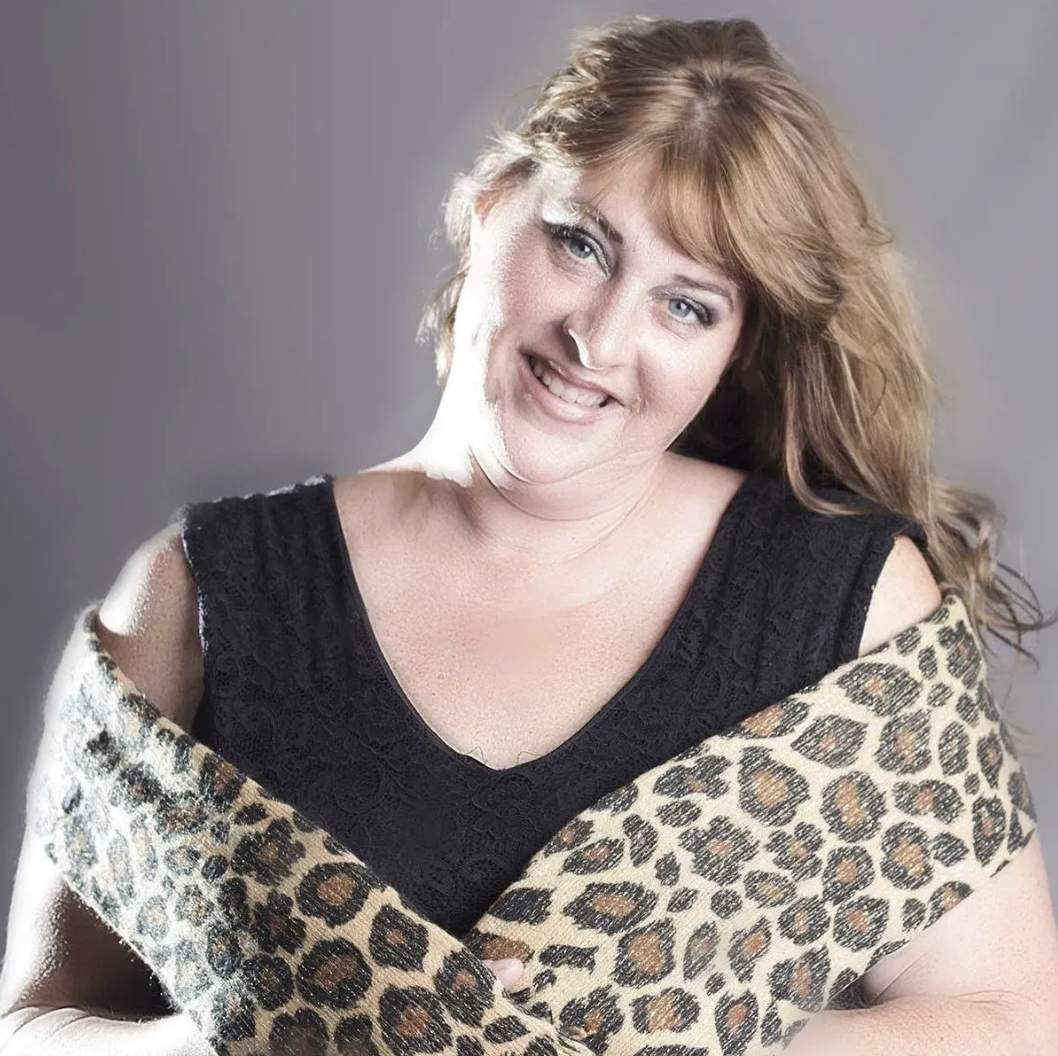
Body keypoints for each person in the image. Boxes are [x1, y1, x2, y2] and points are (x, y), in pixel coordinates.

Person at [1, 14, 1056, 1055]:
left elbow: (1010, 1020)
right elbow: (32, 1025)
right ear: (490, 201)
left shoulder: (847, 601)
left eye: (685, 306)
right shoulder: (205, 591)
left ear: (732, 349)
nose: (597, 338)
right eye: (580, 244)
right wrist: (255, 1035)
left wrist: (675, 1044)